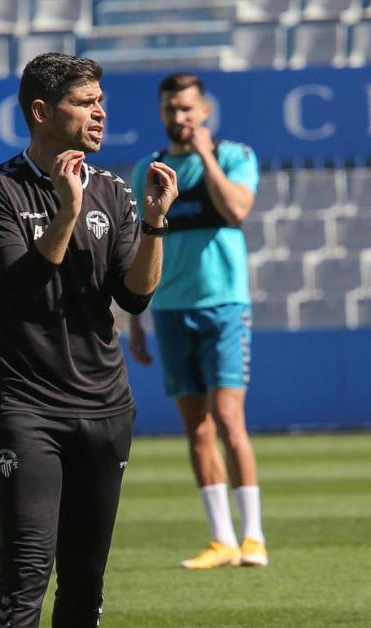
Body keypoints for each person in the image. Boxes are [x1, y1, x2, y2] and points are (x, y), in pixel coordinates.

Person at [0, 53, 177, 628]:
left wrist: (156, 225)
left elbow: (135, 295)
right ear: (41, 112)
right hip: (25, 407)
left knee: (85, 577)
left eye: (99, 100)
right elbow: (24, 289)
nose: (100, 111)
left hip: (106, 407)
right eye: (85, 102)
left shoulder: (113, 190)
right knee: (27, 573)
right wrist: (65, 208)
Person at [126, 72, 268, 571]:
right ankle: (221, 538)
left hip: (223, 305)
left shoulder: (234, 156)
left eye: (187, 108)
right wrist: (136, 321)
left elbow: (236, 211)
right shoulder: (150, 167)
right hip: (169, 309)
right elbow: (139, 245)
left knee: (229, 419)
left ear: (204, 110)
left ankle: (254, 536)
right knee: (196, 426)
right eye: (171, 109)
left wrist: (206, 156)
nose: (179, 117)